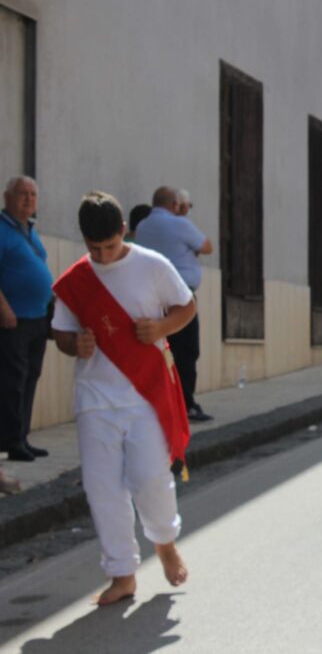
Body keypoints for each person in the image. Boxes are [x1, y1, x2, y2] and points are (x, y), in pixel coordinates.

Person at [51, 191, 192, 606]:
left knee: (150, 479)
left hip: (145, 393)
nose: (103, 256)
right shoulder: (76, 280)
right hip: (95, 396)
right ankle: (122, 573)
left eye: (110, 246)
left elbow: (187, 307)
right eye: (94, 248)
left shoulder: (153, 265)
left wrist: (161, 328)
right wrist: (73, 344)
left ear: (124, 232)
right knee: (102, 489)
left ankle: (165, 544)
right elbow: (60, 331)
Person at [135, 187, 213, 422]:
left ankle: (160, 403)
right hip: (179, 298)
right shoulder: (181, 224)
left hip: (151, 297)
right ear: (176, 205)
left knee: (160, 352)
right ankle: (185, 404)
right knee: (187, 352)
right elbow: (207, 246)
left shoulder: (143, 226)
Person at [0, 176, 52, 462]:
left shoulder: (29, 230)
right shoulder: (2, 229)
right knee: (13, 381)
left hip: (37, 318)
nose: (29, 199)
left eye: (33, 194)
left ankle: (22, 436)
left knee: (30, 377)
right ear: (7, 197)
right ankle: (11, 441)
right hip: (13, 319)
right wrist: (3, 308)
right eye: (22, 193)